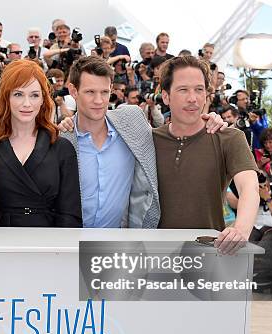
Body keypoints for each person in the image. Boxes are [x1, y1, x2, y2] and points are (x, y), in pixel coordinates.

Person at [57, 56, 227, 229]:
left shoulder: (132, 121)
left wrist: (209, 119)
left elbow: (171, 133)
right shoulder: (62, 138)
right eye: (90, 92)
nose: (99, 101)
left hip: (118, 245)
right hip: (68, 243)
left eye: (104, 92)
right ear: (73, 91)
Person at [155, 56, 259, 253]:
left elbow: (249, 187)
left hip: (208, 254)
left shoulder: (230, 138)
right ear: (166, 96)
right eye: (183, 89)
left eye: (199, 89)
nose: (193, 98)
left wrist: (241, 229)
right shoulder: (148, 139)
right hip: (155, 255)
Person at [0, 59, 81, 227]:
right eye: (18, 94)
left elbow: (69, 214)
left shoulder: (61, 148)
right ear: (6, 98)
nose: (27, 103)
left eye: (34, 95)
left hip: (48, 243)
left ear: (43, 100)